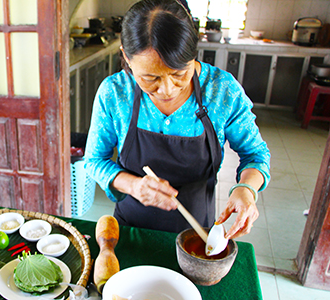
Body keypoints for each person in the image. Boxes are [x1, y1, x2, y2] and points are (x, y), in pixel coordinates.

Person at [83, 0, 270, 240]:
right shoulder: (115, 93)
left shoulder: (222, 92)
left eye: (179, 73)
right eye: (150, 78)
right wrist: (133, 186)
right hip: (131, 229)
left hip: (197, 232)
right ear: (126, 58)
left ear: (193, 54)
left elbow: (256, 155)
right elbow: (94, 161)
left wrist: (246, 189)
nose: (167, 90)